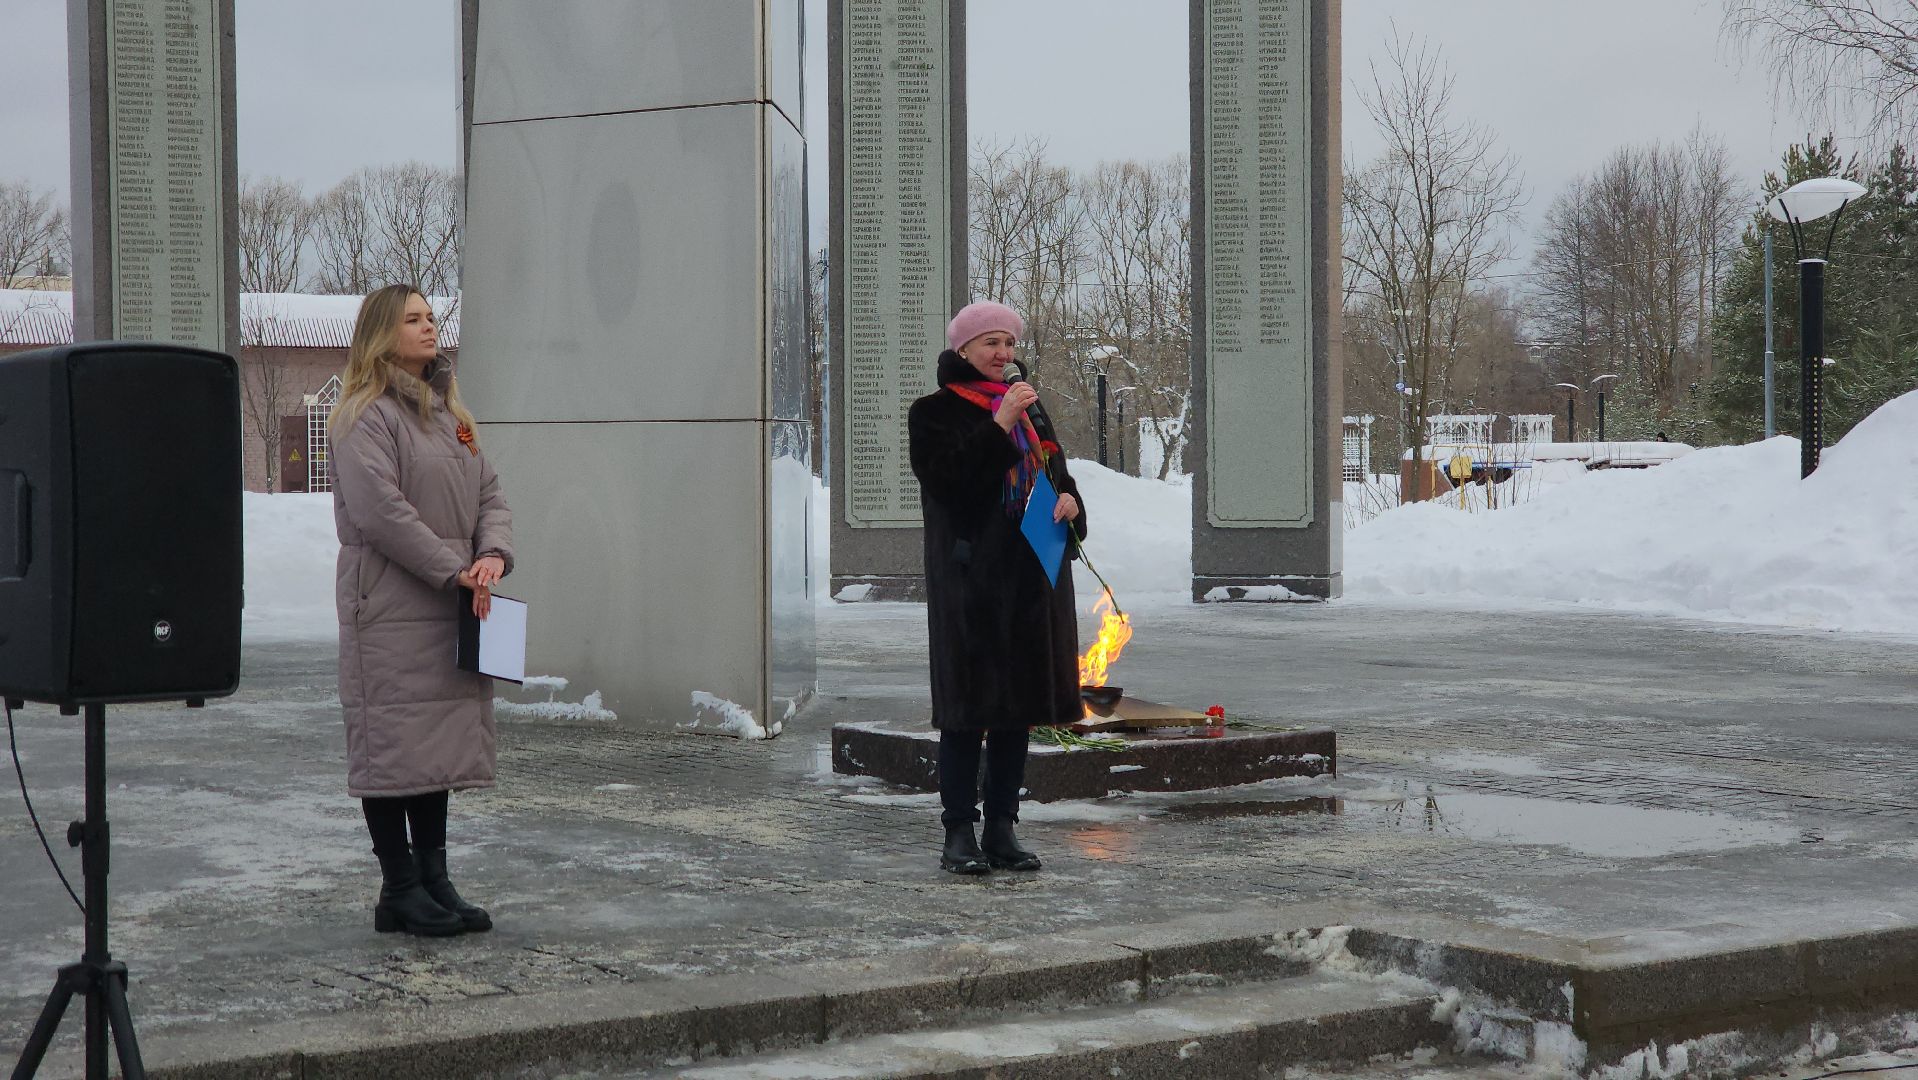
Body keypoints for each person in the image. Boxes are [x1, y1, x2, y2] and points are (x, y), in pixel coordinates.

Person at [328, 284, 514, 936]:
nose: (429, 326)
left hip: (449, 604)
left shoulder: (451, 415)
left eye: (431, 316)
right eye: (413, 319)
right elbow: (381, 513)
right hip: (389, 608)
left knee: (429, 747)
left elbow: (489, 490)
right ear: (383, 333)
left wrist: (491, 554)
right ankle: (399, 887)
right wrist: (451, 569)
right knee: (391, 749)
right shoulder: (363, 416)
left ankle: (434, 882)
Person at [907, 301, 1087, 875]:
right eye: (990, 344)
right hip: (971, 581)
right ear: (962, 351)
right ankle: (958, 832)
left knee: (1017, 711)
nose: (1003, 355)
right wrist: (1001, 423)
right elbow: (948, 482)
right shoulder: (933, 412)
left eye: (1008, 344)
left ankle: (1002, 828)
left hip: (1031, 576)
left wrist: (1071, 503)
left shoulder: (1031, 407)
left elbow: (1057, 473)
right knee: (967, 710)